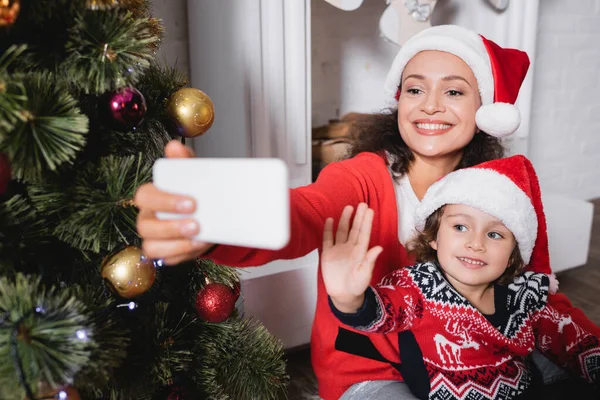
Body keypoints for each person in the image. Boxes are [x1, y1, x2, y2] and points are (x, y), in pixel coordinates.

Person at [134, 25, 600, 399]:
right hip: (371, 361)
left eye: (454, 92)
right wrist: (216, 223)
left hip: (480, 349)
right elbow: (305, 214)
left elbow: (536, 290)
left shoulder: (506, 187)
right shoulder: (361, 176)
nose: (430, 106)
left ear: (485, 107)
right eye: (415, 90)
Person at [322, 155, 600, 399]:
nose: (476, 243)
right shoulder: (417, 286)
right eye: (460, 227)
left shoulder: (524, 294)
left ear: (514, 253)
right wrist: (349, 298)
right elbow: (381, 313)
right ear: (433, 237)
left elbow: (574, 338)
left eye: (494, 234)